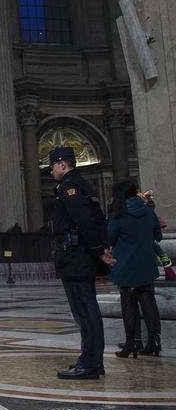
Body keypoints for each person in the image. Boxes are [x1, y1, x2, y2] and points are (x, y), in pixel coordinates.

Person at [48, 146, 112, 379]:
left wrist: (98, 251)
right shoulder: (83, 185)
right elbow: (98, 220)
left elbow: (84, 221)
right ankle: (93, 360)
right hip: (81, 256)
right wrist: (100, 248)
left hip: (75, 257)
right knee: (87, 311)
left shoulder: (69, 187)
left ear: (63, 164)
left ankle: (90, 363)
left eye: (53, 165)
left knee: (85, 313)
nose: (52, 170)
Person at [109, 181, 163, 358]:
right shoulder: (148, 211)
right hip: (147, 263)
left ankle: (132, 343)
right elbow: (158, 236)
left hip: (125, 265)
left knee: (128, 305)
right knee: (149, 302)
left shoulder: (119, 215)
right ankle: (154, 342)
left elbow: (110, 237)